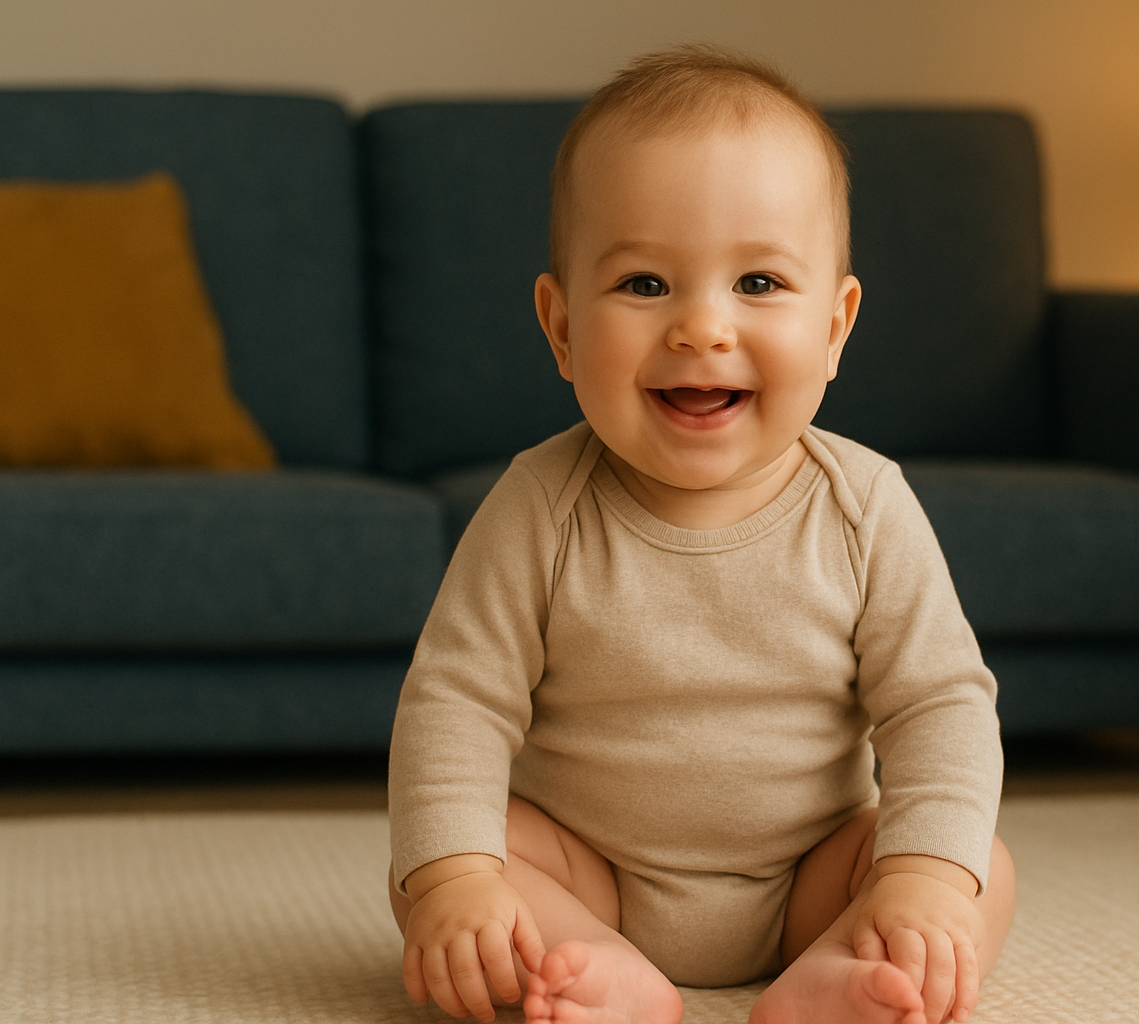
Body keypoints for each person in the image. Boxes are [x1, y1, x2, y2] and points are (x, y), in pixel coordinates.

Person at [386, 44, 1015, 1024]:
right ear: (559, 326)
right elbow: (454, 706)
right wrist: (457, 879)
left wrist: (925, 882)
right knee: (445, 866)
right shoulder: (539, 507)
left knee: (971, 866)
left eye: (759, 283)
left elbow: (940, 707)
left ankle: (840, 973)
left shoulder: (864, 506)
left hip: (814, 876)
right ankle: (594, 972)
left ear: (837, 327)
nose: (702, 328)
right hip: (589, 874)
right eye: (644, 285)